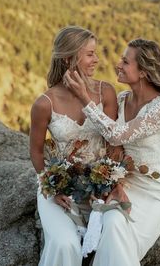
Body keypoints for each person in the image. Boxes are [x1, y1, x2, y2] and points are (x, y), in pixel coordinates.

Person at [65, 38, 160, 266]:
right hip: (124, 182)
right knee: (111, 220)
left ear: (144, 72)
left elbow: (117, 135)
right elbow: (113, 147)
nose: (118, 65)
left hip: (153, 190)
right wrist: (113, 182)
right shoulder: (120, 100)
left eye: (125, 62)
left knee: (117, 227)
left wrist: (84, 98)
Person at [29, 26, 121, 266]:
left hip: (99, 190)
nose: (97, 59)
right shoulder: (44, 103)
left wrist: (108, 183)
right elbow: (36, 151)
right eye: (90, 54)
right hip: (60, 190)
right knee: (64, 244)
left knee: (109, 241)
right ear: (69, 57)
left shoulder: (106, 92)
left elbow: (114, 144)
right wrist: (51, 186)